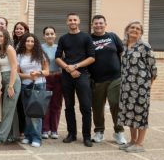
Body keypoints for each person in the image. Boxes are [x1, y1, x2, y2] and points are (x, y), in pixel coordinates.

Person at [55, 13, 96, 147]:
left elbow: (92, 57)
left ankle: (86, 136)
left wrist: (76, 66)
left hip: (82, 75)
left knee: (86, 107)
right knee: (69, 106)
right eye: (70, 20)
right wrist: (68, 68)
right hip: (67, 76)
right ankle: (71, 134)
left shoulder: (86, 37)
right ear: (67, 22)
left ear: (79, 21)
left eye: (74, 20)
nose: (72, 22)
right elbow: (57, 57)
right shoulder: (63, 38)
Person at [118, 21, 157, 153]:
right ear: (127, 30)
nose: (134, 30)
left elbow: (153, 69)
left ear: (141, 32)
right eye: (132, 27)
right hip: (126, 87)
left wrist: (147, 87)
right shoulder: (124, 46)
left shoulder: (145, 46)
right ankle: (133, 141)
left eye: (137, 28)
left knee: (140, 114)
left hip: (141, 87)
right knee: (130, 113)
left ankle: (139, 144)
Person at [89, 15, 127, 145]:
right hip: (97, 79)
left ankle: (119, 132)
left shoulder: (112, 36)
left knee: (115, 103)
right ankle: (99, 131)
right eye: (96, 23)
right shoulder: (88, 39)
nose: (98, 25)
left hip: (115, 77)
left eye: (101, 23)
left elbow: (122, 53)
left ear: (105, 24)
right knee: (97, 106)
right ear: (92, 25)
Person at [0, 28, 21, 145]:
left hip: (12, 80)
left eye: (1, 36)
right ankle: (13, 135)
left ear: (6, 37)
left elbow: (14, 68)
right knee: (11, 109)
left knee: (7, 110)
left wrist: (11, 86)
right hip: (2, 79)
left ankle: (0, 137)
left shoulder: (9, 48)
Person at [17, 33, 49, 148]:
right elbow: (17, 73)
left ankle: (36, 138)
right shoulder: (19, 55)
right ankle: (28, 135)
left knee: (36, 113)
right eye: (27, 41)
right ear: (24, 42)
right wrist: (28, 76)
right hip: (25, 86)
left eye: (32, 41)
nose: (30, 43)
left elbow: (47, 71)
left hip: (39, 85)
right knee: (27, 113)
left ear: (35, 43)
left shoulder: (40, 55)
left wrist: (38, 73)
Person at [41, 26, 62, 140]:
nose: (50, 36)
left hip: (58, 77)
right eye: (47, 34)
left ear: (55, 35)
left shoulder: (59, 47)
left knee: (56, 104)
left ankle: (54, 129)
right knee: (45, 104)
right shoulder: (40, 48)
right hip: (45, 78)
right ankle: (45, 129)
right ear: (44, 36)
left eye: (52, 33)